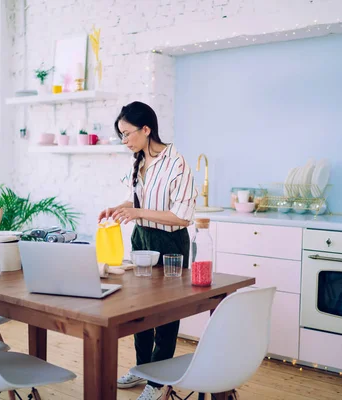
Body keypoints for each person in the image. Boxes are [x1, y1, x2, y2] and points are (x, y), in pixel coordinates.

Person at [98, 101, 198, 400]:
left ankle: (159, 382)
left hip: (170, 244)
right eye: (121, 135)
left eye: (127, 134)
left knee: (166, 315)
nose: (124, 141)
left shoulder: (176, 162)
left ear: (146, 129)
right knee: (138, 310)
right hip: (141, 240)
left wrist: (139, 213)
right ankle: (143, 369)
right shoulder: (139, 161)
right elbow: (139, 201)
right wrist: (121, 207)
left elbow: (182, 216)